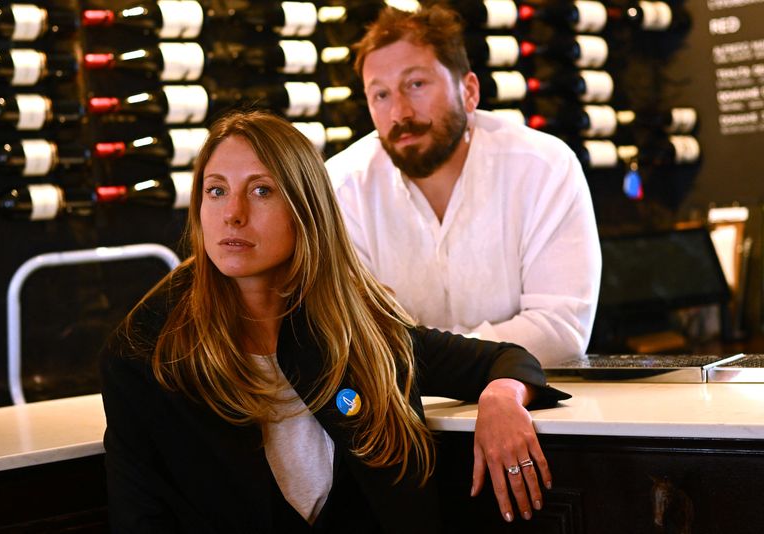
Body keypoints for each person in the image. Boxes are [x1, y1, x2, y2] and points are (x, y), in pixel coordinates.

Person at [100, 110, 570, 533]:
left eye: (261, 191)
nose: (233, 214)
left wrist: (504, 398)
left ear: (307, 210)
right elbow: (138, 517)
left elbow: (505, 360)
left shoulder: (354, 329)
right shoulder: (145, 354)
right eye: (216, 190)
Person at [326, 4, 602, 366]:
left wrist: (429, 357)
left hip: (530, 403)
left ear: (469, 91)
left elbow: (559, 332)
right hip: (400, 413)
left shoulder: (544, 168)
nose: (400, 113)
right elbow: (354, 335)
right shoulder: (342, 187)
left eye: (416, 84)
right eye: (381, 95)